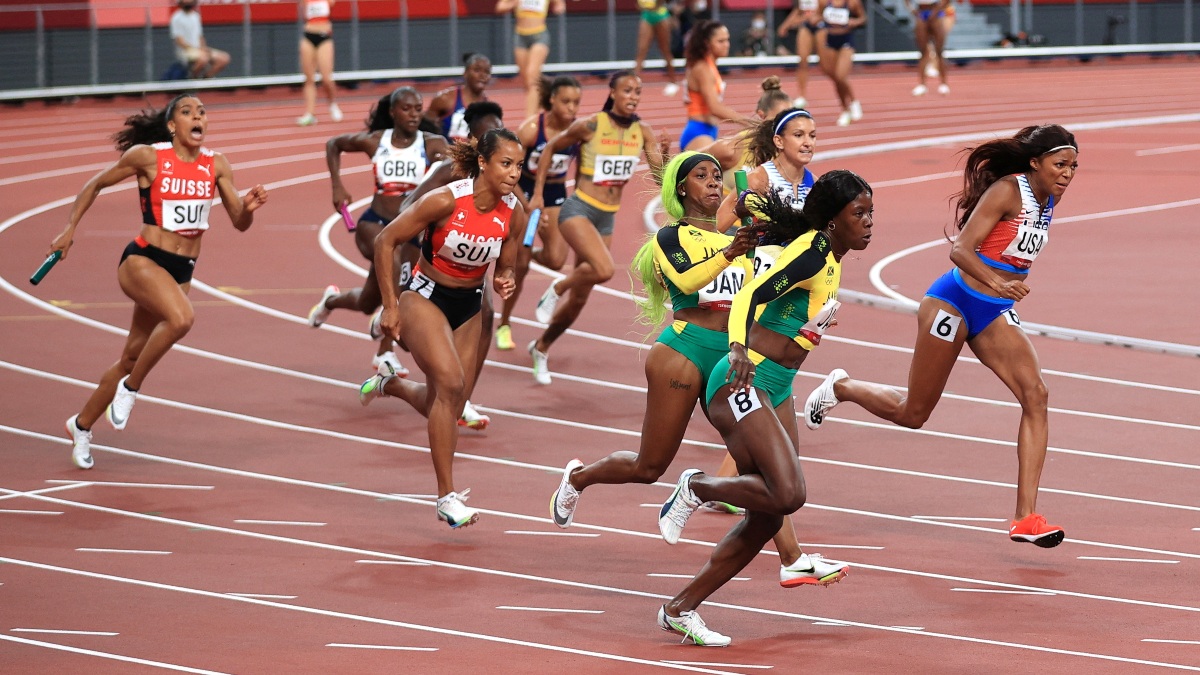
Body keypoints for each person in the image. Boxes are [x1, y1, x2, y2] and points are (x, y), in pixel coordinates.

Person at [550, 152, 848, 589]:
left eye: (716, 176)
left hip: (736, 357)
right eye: (700, 176)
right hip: (686, 350)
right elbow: (687, 281)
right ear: (681, 189)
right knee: (649, 466)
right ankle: (578, 478)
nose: (712, 182)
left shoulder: (743, 239)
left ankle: (793, 558)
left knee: (768, 467)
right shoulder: (669, 236)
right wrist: (731, 250)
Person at [804, 125, 1077, 549]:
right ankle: (842, 386)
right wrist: (1000, 284)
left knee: (1036, 395)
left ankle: (1026, 516)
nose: (1067, 173)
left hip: (992, 312)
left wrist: (1002, 292)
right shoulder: (1008, 190)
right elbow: (961, 250)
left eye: (1074, 166)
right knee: (914, 413)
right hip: (952, 302)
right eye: (1060, 164)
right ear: (1034, 163)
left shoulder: (1050, 199)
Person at [655, 171, 874, 646]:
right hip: (744, 378)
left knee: (771, 513)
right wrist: (734, 349)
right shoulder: (814, 253)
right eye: (859, 214)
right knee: (789, 493)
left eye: (870, 213)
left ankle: (680, 609)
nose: (869, 223)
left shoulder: (831, 256)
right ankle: (697, 487)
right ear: (834, 220)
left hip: (778, 385)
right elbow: (750, 296)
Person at [53, 94, 268, 470]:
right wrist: (69, 228)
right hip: (143, 260)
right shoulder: (149, 157)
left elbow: (238, 222)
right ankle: (131, 389)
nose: (197, 116)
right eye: (187, 112)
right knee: (182, 319)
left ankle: (81, 425)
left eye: (202, 112)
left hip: (182, 269)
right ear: (172, 126)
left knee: (131, 357)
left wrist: (247, 208)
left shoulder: (217, 165)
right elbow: (95, 185)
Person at [358, 128, 527, 528]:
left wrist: (505, 279)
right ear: (483, 163)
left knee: (447, 400)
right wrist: (389, 306)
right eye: (506, 164)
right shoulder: (446, 200)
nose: (514, 173)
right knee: (451, 385)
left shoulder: (514, 212)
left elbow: (506, 263)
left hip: (469, 306)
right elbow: (385, 240)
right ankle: (446, 498)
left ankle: (392, 385)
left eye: (519, 165)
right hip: (424, 296)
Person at [359, 102, 508, 433]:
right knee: (419, 345)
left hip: (469, 280)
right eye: (488, 136)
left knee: (485, 313)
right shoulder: (446, 173)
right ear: (476, 146)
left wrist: (505, 273)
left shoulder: (505, 184)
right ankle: (392, 325)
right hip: (425, 259)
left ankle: (460, 396)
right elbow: (408, 209)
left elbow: (511, 230)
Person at [526, 70, 665, 385]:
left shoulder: (643, 131)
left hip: (607, 217)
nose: (633, 97)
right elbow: (548, 149)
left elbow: (660, 177)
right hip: (578, 209)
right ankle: (556, 287)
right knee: (602, 269)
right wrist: (536, 194)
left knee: (580, 299)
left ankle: (541, 347)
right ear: (613, 92)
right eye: (627, 90)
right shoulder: (590, 126)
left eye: (638, 92)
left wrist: (666, 154)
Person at [309, 87, 447, 377]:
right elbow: (333, 143)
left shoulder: (432, 143)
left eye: (418, 108)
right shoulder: (376, 141)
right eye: (407, 109)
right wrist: (337, 185)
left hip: (409, 229)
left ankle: (331, 300)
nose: (414, 114)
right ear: (393, 112)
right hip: (374, 223)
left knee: (368, 300)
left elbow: (453, 164)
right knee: (394, 263)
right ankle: (385, 352)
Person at [495, 76, 582, 352]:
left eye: (576, 103)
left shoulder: (576, 131)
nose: (571, 108)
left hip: (555, 193)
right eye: (566, 101)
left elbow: (579, 170)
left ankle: (529, 253)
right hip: (521, 191)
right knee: (518, 268)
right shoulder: (532, 129)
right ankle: (504, 324)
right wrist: (528, 203)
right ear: (552, 100)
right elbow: (509, 166)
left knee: (556, 259)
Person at [715, 107, 817, 233]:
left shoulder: (814, 183)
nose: (808, 143)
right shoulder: (758, 180)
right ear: (779, 141)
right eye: (798, 135)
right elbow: (716, 229)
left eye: (812, 136)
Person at [697, 76, 792, 195]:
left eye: (789, 120)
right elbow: (686, 164)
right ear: (761, 116)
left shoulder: (789, 154)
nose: (784, 127)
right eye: (778, 120)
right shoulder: (732, 149)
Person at [495, 0, 566, 118]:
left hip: (539, 35)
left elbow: (560, 4)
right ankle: (544, 104)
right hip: (520, 37)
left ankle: (530, 118)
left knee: (532, 75)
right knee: (527, 82)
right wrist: (514, 4)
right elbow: (500, 7)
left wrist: (559, 8)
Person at [679, 20, 740, 153]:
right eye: (721, 41)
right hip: (698, 132)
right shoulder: (702, 68)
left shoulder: (710, 66)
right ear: (707, 43)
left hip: (708, 130)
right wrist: (747, 122)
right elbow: (714, 107)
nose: (727, 45)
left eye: (727, 40)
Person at [425, 53, 493, 144]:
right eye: (477, 70)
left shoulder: (489, 109)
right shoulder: (445, 99)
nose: (482, 75)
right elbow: (425, 129)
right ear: (465, 73)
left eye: (487, 72)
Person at [818, 0, 865, 126]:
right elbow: (818, 16)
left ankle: (854, 101)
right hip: (830, 40)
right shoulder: (824, 2)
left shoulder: (852, 3)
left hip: (846, 40)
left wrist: (855, 22)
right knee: (835, 77)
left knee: (841, 75)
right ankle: (845, 109)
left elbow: (863, 18)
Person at [296, 0, 342, 126]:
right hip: (308, 36)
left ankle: (332, 103)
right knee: (309, 78)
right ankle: (310, 113)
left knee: (326, 78)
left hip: (324, 37)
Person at [777, 0, 825, 108]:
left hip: (821, 26)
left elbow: (830, 11)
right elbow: (798, 10)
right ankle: (802, 96)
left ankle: (845, 93)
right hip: (806, 26)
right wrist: (786, 25)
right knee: (802, 61)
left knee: (827, 65)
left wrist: (818, 17)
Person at [169, 0, 230, 79]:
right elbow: (179, 41)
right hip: (185, 51)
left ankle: (207, 78)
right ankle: (191, 79)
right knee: (203, 59)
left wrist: (203, 48)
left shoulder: (195, 16)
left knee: (224, 58)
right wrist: (197, 50)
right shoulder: (176, 18)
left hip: (199, 49)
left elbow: (200, 36)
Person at [634, 0, 682, 96]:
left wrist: (649, 6)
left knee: (665, 50)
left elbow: (659, 4)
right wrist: (642, 6)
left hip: (661, 16)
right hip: (647, 16)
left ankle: (673, 81)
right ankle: (633, 83)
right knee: (641, 51)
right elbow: (638, 5)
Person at [907, 0, 951, 96]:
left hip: (936, 11)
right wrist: (912, 10)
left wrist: (937, 10)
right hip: (921, 13)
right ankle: (922, 84)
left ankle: (943, 83)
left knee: (939, 50)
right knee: (922, 51)